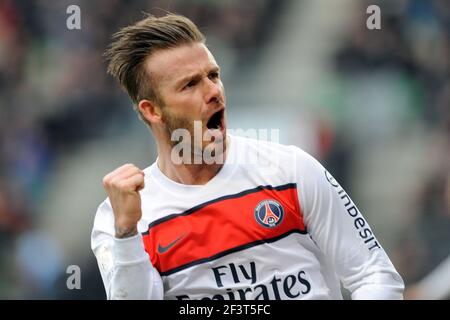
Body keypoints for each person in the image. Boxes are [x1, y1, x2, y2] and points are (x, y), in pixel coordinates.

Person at [91, 13, 404, 300]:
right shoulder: (121, 218)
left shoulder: (290, 170)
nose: (213, 91)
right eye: (190, 84)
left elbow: (374, 275)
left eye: (213, 75)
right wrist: (127, 234)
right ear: (152, 110)